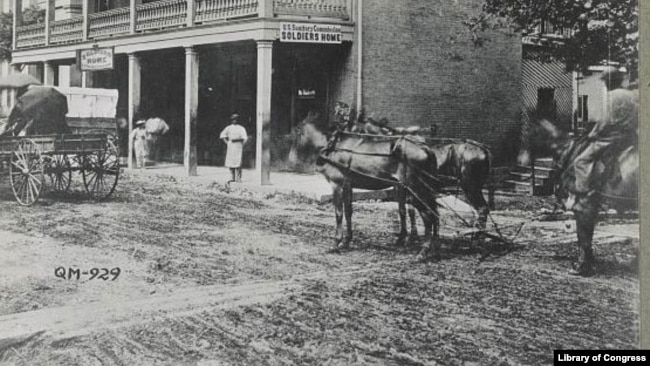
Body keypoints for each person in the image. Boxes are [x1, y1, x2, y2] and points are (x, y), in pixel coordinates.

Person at [568, 67, 638, 206]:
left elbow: (604, 121)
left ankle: (583, 196)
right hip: (630, 137)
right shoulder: (631, 95)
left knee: (581, 161)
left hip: (611, 139)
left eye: (606, 82)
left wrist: (593, 134)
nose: (605, 84)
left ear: (610, 82)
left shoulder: (611, 96)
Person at [220, 113, 248, 183]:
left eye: (236, 119)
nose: (234, 121)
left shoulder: (241, 128)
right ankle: (232, 177)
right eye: (233, 119)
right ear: (231, 120)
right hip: (231, 146)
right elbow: (222, 135)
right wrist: (227, 142)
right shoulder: (228, 128)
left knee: (238, 162)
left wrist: (242, 144)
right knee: (231, 161)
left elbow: (245, 138)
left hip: (238, 145)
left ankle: (238, 178)